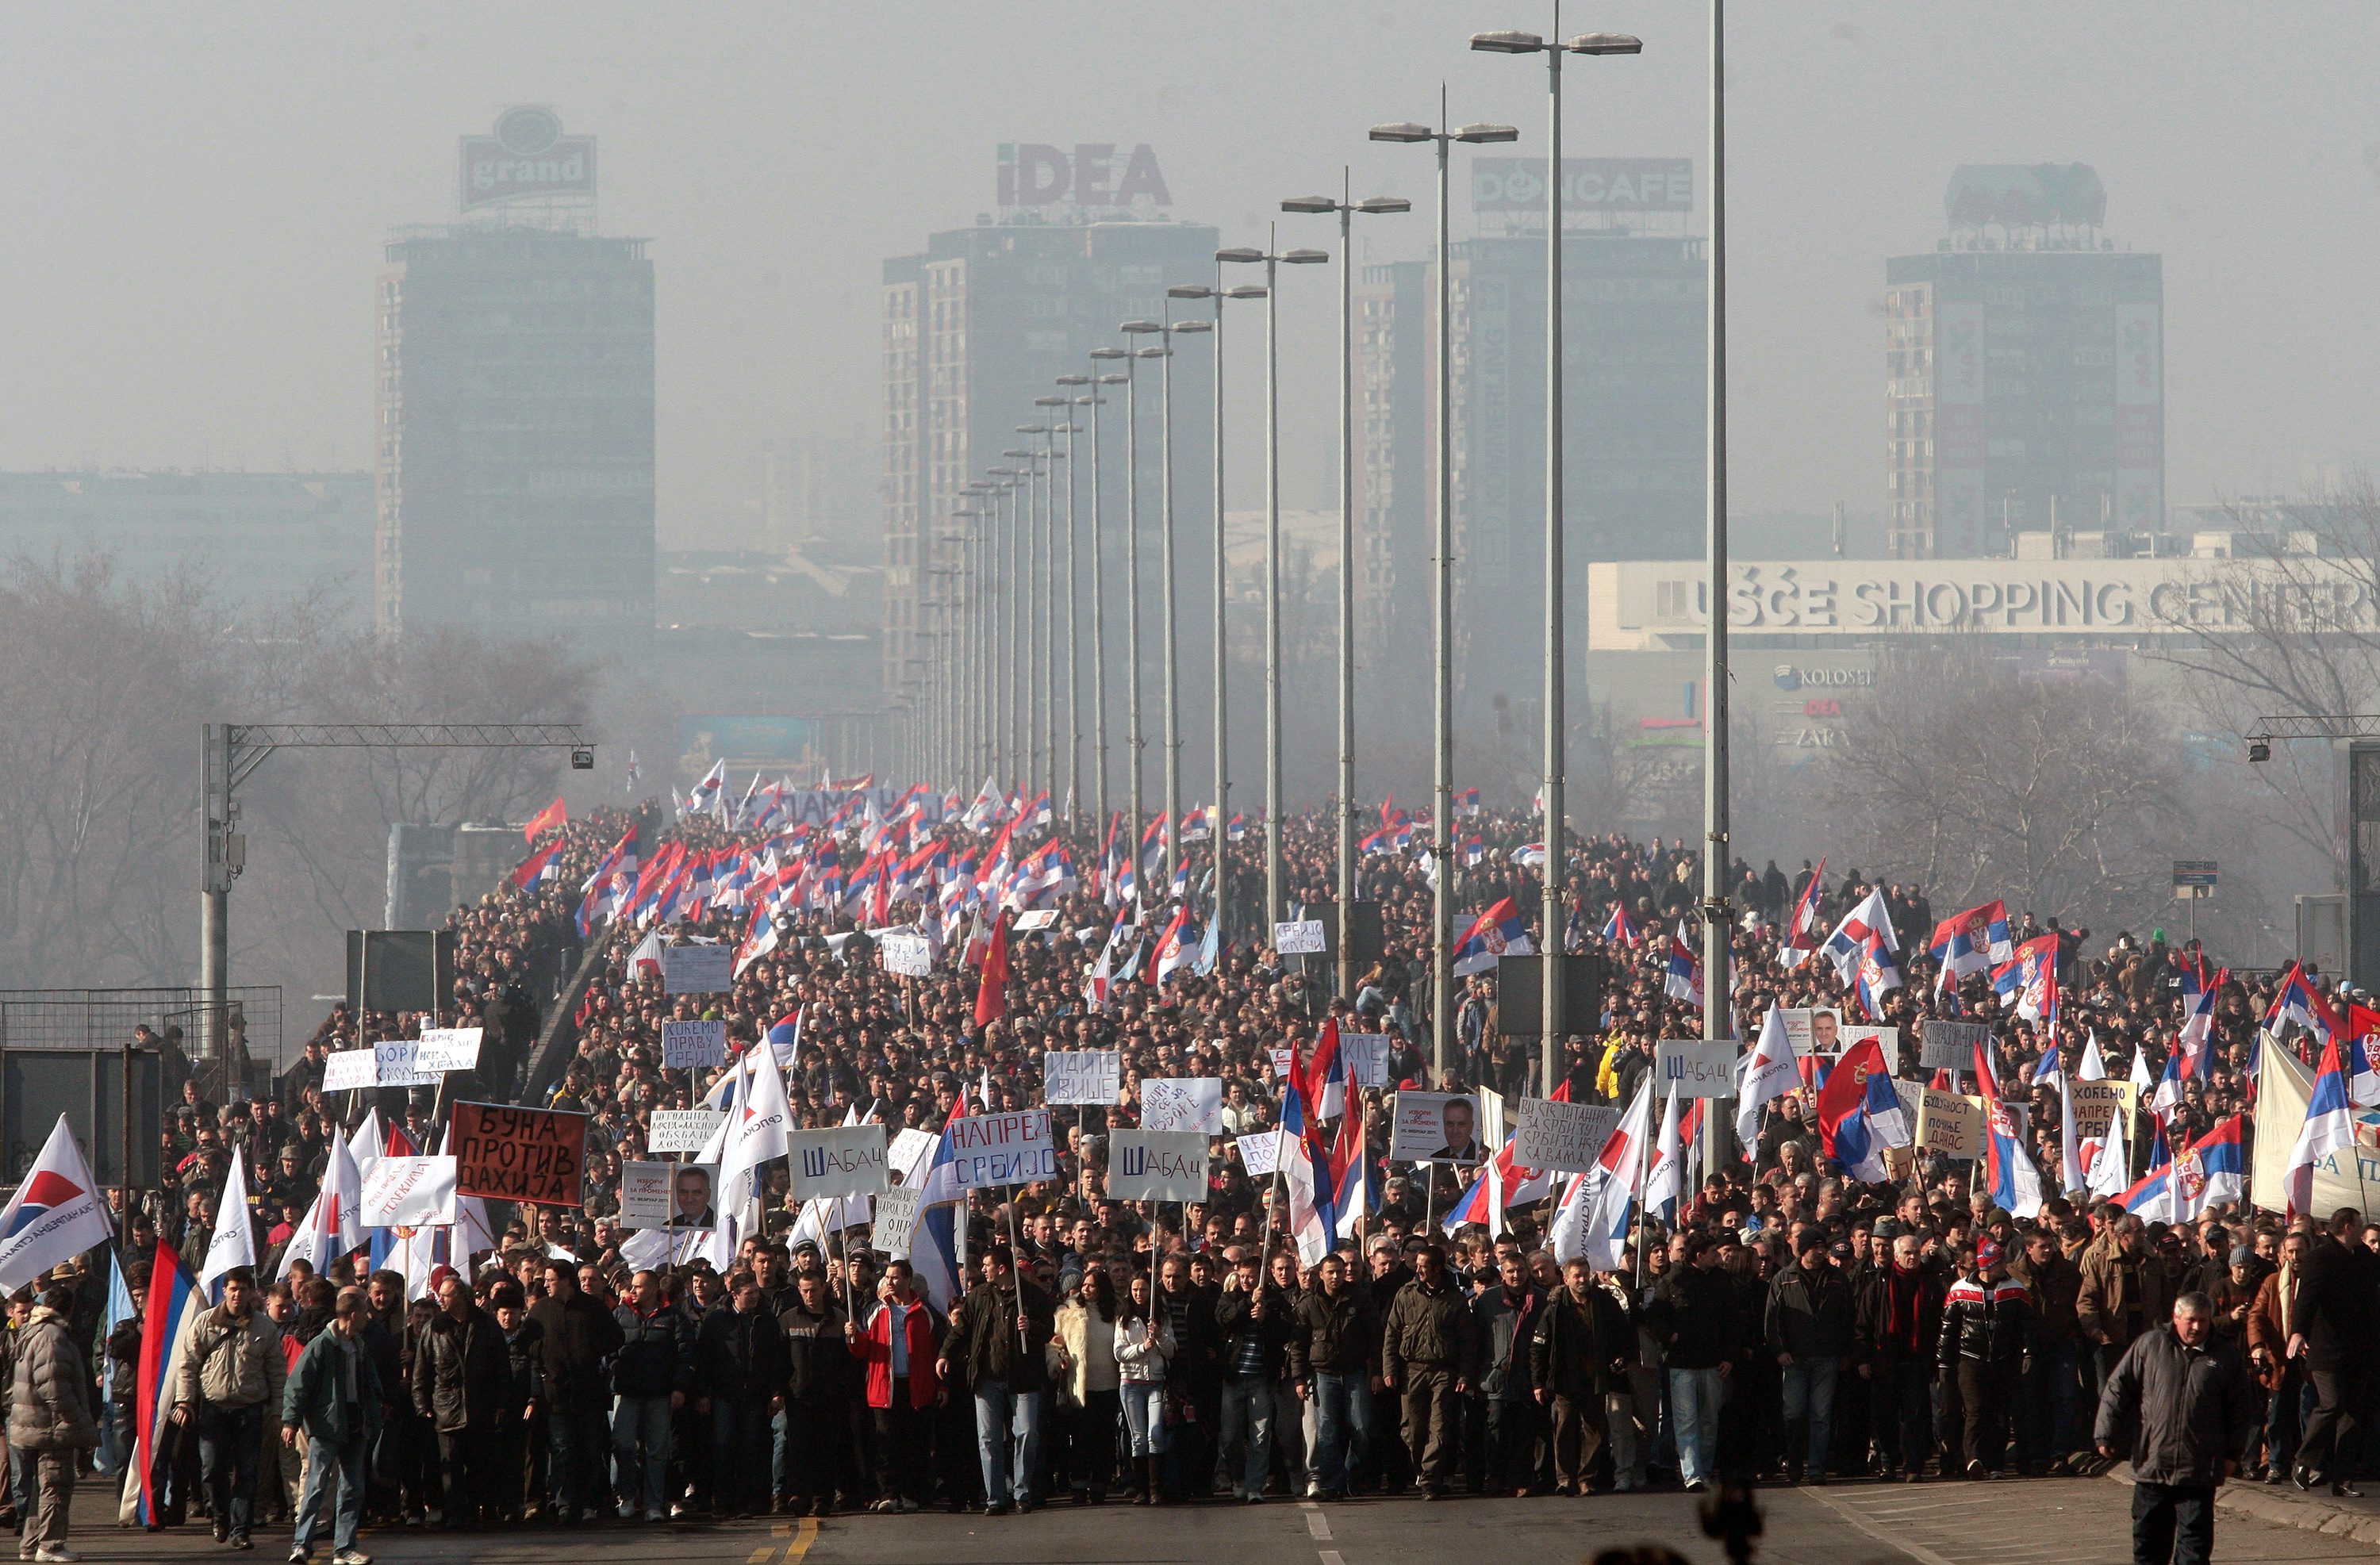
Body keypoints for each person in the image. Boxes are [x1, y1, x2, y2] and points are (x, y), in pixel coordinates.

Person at [2094, 1293, 2255, 1565]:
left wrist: (2233, 1454)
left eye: (2203, 1320)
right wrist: (2106, 1433)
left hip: (2199, 1469)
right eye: (2191, 1320)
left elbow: (2240, 1409)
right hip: (2153, 1463)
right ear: (2176, 1318)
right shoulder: (2150, 1345)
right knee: (2149, 1545)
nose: (2197, 1327)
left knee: (2194, 1548)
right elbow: (2118, 1389)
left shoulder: (2225, 1355)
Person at [172, 1267, 287, 1548]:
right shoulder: (205, 1322)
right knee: (212, 1470)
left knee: (248, 1472)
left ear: (250, 1292)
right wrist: (185, 1400)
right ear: (224, 1290)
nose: (238, 1295)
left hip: (250, 1409)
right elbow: (188, 1364)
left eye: (243, 1289)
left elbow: (277, 1372)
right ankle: (220, 1516)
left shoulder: (264, 1327)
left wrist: (279, 1410)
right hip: (214, 1408)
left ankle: (241, 1530)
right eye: (233, 1289)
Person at [938, 1245, 1055, 1515]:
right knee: (988, 1438)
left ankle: (1022, 1492)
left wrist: (1032, 1327)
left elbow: (1049, 1330)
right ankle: (996, 1497)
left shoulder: (1032, 1295)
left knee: (1027, 1433)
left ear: (1001, 1268)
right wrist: (945, 1354)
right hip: (987, 1377)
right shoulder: (979, 1296)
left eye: (987, 1265)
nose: (983, 1270)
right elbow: (962, 1330)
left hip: (1023, 1376)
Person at [282, 1285, 380, 1565]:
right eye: (364, 1313)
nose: (367, 1318)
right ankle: (301, 1544)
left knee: (352, 1488)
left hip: (355, 1424)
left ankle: (344, 1549)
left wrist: (375, 1411)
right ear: (353, 1315)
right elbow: (298, 1385)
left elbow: (371, 1383)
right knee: (316, 1486)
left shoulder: (359, 1346)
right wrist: (290, 1421)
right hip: (327, 1425)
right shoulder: (321, 1345)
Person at [526, 1258, 624, 1525]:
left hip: (589, 1392)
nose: (546, 1285)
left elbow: (616, 1337)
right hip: (556, 1394)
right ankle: (564, 1504)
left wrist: (590, 1351)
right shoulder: (541, 1310)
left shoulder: (592, 1308)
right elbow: (527, 1343)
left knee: (591, 1450)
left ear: (566, 1281)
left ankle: (590, 1503)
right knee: (562, 1450)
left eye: (551, 1280)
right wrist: (544, 1355)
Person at [409, 1271, 507, 1531]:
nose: (441, 1300)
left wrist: (501, 1401)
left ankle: (476, 1510)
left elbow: (501, 1366)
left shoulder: (486, 1325)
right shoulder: (434, 1329)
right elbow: (422, 1371)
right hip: (446, 1407)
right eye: (439, 1295)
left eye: (446, 1295)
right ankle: (455, 1513)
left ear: (462, 1296)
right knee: (450, 1466)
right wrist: (422, 1405)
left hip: (480, 1405)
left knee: (479, 1465)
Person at [2289, 1207, 2377, 1496]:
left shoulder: (2363, 1257)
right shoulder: (2321, 1257)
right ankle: (2304, 1460)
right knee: (2332, 1403)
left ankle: (2342, 1478)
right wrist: (2298, 1331)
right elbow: (2306, 1298)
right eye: (2360, 1224)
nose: (2363, 1229)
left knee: (2352, 1414)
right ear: (2348, 1227)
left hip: (2359, 1349)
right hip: (2327, 1348)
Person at [1380, 1243, 1476, 1500]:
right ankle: (1422, 1469)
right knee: (1411, 1429)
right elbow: (1392, 1333)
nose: (1419, 1270)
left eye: (1424, 1266)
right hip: (1412, 1371)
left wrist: (1465, 1374)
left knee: (1440, 1427)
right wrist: (1389, 1369)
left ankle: (1430, 1480)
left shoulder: (1454, 1299)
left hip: (1443, 1372)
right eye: (1417, 1265)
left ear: (1438, 1268)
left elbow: (1468, 1341)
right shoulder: (1406, 1294)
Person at [1937, 1237, 2036, 1480]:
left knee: (2000, 1413)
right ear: (1988, 1265)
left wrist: (2028, 1352)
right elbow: (1948, 1329)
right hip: (1970, 1358)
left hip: (2004, 1358)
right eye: (2000, 1262)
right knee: (1976, 1409)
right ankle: (1973, 1459)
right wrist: (1944, 1362)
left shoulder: (2015, 1289)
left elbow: (2027, 1326)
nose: (2004, 1265)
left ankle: (1996, 1464)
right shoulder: (1960, 1289)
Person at [1530, 1256, 1627, 1497]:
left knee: (1594, 1430)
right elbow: (1539, 1347)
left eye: (1585, 1274)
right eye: (1577, 1276)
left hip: (1596, 1377)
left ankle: (1586, 1478)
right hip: (1565, 1378)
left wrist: (1620, 1357)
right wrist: (1538, 1382)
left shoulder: (1604, 1302)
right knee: (1564, 1429)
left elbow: (1621, 1333)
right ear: (1566, 1279)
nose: (1582, 1279)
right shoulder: (1555, 1307)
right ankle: (1565, 1478)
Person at [847, 1260, 939, 1514]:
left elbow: (936, 1350)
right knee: (886, 1443)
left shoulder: (925, 1312)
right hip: (884, 1387)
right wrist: (853, 1336)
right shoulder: (875, 1310)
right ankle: (888, 1493)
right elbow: (861, 1350)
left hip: (916, 1386)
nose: (890, 1282)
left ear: (908, 1280)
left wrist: (941, 1386)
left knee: (914, 1442)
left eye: (895, 1277)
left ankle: (910, 1494)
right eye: (887, 1277)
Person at [1288, 1252, 1377, 1502]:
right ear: (1321, 1274)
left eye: (1340, 1271)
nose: (1336, 1276)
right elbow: (1298, 1344)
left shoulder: (1359, 1299)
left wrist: (1377, 1372)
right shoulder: (1309, 1304)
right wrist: (1299, 1378)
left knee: (1362, 1428)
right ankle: (1332, 1484)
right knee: (1327, 1432)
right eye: (1331, 1272)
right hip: (1322, 1375)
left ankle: (1353, 1476)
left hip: (1355, 1373)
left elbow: (1375, 1337)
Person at [1766, 1229, 1854, 1484]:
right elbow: (1772, 1319)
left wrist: (1846, 1352)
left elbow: (1849, 1318)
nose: (1820, 1251)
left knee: (1821, 1416)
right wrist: (1779, 1350)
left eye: (1822, 1246)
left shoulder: (1837, 1278)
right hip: (1794, 1359)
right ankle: (1794, 1461)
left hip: (1827, 1357)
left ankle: (1817, 1468)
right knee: (1793, 1414)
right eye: (1815, 1247)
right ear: (1803, 1250)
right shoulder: (1784, 1278)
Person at [608, 1268, 691, 1524]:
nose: (633, 1291)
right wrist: (616, 1369)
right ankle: (628, 1495)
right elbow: (609, 1349)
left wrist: (679, 1388)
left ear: (654, 1289)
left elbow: (685, 1353)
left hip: (659, 1394)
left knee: (657, 1451)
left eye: (639, 1287)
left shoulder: (673, 1317)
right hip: (627, 1393)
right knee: (622, 1445)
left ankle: (654, 1504)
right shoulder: (620, 1314)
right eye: (632, 1286)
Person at [1212, 1249, 1289, 1503]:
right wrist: (1247, 1304)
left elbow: (1285, 1332)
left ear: (1261, 1277)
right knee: (1230, 1437)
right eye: (1243, 1276)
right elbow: (1224, 1320)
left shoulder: (1274, 1300)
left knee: (1260, 1436)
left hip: (1261, 1379)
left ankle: (1255, 1485)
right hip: (1234, 1378)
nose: (1246, 1281)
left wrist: (1266, 1319)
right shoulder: (1230, 1297)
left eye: (1251, 1277)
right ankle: (1238, 1477)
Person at [777, 1269, 849, 1517]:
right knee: (799, 1448)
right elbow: (780, 1360)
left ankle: (822, 1498)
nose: (810, 1295)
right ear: (799, 1290)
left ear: (823, 1289)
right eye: (805, 1291)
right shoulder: (789, 1319)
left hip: (829, 1395)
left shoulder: (839, 1319)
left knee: (825, 1448)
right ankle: (800, 1495)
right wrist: (780, 1390)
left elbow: (847, 1360)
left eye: (814, 1290)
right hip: (799, 1395)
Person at [1050, 1264, 1122, 1504]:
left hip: (1110, 1385)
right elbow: (1055, 1345)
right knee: (1082, 1439)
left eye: (1092, 1286)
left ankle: (1100, 1485)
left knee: (1104, 1440)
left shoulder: (1117, 1312)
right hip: (1081, 1387)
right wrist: (1059, 1359)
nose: (1087, 1289)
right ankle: (1079, 1486)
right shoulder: (1068, 1312)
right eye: (1085, 1285)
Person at [1113, 1269, 1173, 1505]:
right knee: (1138, 1437)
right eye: (1135, 1289)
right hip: (1130, 1383)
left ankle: (1156, 1487)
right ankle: (1142, 1489)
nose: (1139, 1294)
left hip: (1155, 1381)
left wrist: (1159, 1337)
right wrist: (1142, 1348)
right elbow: (1119, 1353)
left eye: (1144, 1289)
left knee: (1155, 1433)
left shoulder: (1161, 1317)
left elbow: (1171, 1351)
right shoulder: (1124, 1319)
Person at [1429, 1099, 1481, 1165]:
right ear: (1444, 1126)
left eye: (1461, 1124)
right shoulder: (1436, 1158)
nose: (1455, 1131)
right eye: (1450, 1124)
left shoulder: (1480, 1157)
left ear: (1471, 1126)